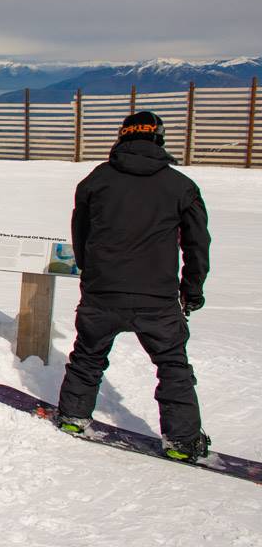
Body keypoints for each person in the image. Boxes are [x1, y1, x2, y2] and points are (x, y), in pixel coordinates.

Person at [56, 111, 211, 462]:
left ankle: (73, 416)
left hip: (102, 291)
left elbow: (81, 234)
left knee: (88, 354)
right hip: (156, 296)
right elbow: (197, 244)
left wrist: (91, 274)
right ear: (159, 138)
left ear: (122, 136)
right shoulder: (181, 186)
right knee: (172, 365)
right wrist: (192, 289)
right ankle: (182, 441)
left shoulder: (96, 180)